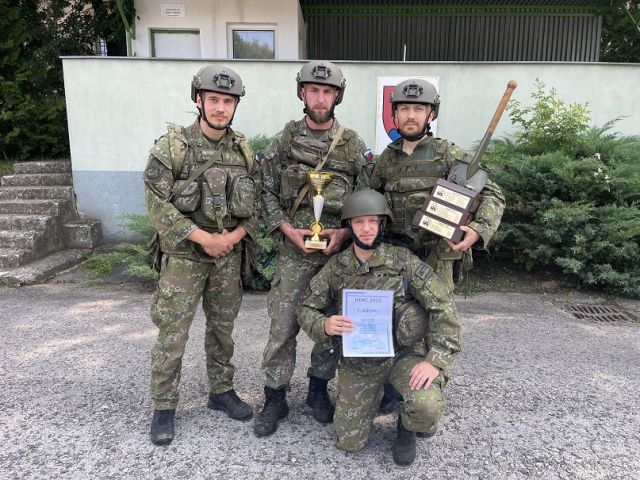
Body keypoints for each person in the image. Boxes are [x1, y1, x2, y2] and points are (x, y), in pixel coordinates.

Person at [297, 190, 462, 466]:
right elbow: (305, 308)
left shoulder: (404, 262)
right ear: (349, 226)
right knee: (349, 442)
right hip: (360, 361)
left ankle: (407, 429)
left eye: (373, 221)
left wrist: (435, 361)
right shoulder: (337, 267)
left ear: (382, 224)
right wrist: (323, 324)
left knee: (426, 407)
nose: (367, 228)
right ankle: (375, 402)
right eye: (359, 222)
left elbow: (443, 306)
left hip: (402, 356)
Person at [255, 60, 374, 437]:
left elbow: (367, 199)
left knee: (332, 324)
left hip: (336, 255)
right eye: (313, 91)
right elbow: (263, 191)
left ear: (337, 96)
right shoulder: (284, 141)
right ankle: (275, 396)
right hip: (294, 254)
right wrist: (286, 229)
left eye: (327, 92)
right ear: (302, 93)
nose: (320, 98)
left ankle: (318, 389)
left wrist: (345, 233)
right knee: (283, 325)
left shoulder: (352, 145)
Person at [143, 65, 261, 445]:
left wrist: (233, 237)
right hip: (184, 257)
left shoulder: (242, 150)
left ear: (235, 105)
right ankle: (164, 406)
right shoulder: (173, 147)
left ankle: (221, 391)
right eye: (213, 100)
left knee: (222, 330)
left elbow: (258, 203)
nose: (220, 108)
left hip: (227, 255)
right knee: (173, 333)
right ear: (198, 100)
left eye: (228, 101)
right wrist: (203, 239)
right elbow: (156, 206)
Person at [371, 78, 505, 294]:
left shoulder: (447, 153)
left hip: (436, 262)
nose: (411, 115)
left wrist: (478, 229)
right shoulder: (387, 159)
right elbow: (371, 202)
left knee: (438, 315)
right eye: (404, 109)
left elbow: (493, 194)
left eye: (418, 109)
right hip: (394, 260)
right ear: (394, 114)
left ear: (431, 114)